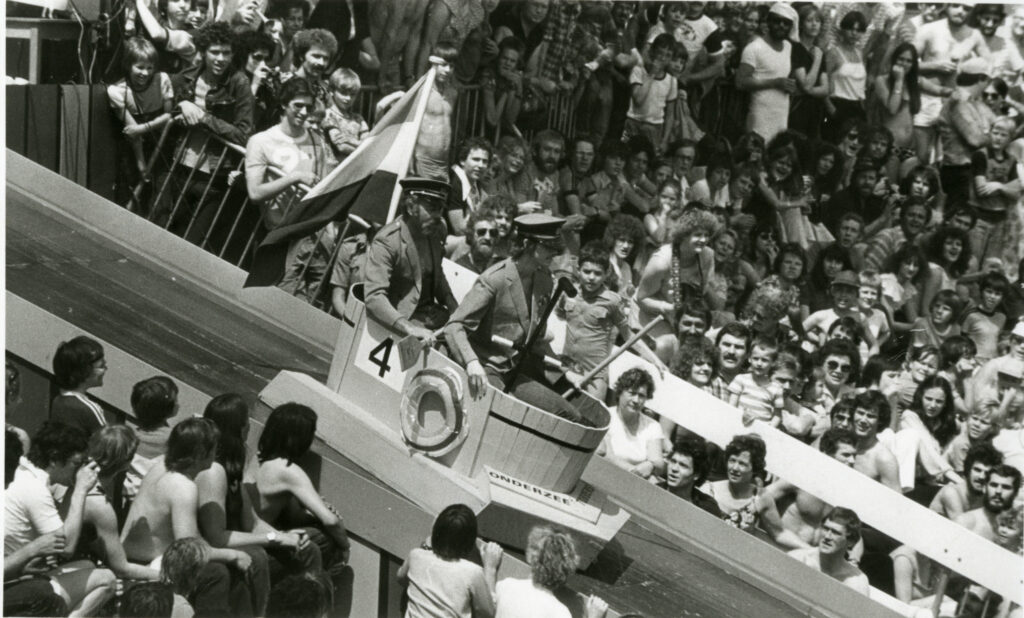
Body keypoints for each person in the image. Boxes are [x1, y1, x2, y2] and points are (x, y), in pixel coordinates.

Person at [444, 214, 604, 426]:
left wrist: (565, 373)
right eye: (548, 247)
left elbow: (537, 340)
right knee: (508, 415)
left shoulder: (545, 281)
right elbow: (455, 326)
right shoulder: (495, 279)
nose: (555, 253)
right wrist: (472, 363)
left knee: (570, 416)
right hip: (485, 367)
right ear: (528, 244)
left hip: (513, 371)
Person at [121, 418, 257, 616]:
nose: (216, 453)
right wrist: (233, 554)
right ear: (202, 454)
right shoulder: (184, 487)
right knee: (216, 573)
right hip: (147, 567)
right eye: (214, 449)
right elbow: (188, 551)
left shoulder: (160, 468)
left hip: (136, 557)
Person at [198, 395, 321, 594]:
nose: (249, 427)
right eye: (247, 421)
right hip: (211, 554)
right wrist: (276, 539)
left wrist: (284, 536)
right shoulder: (212, 471)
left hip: (235, 542)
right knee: (258, 557)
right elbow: (217, 538)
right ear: (238, 429)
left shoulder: (232, 466)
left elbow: (252, 523)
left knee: (307, 549)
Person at [5, 422, 116, 617]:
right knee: (107, 579)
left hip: (13, 571)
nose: (78, 470)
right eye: (75, 463)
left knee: (88, 566)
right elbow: (66, 547)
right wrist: (80, 489)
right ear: (55, 458)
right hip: (7, 584)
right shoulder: (34, 489)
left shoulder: (26, 474)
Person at [251, 403, 351, 575]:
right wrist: (345, 547)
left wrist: (311, 512)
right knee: (324, 538)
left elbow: (291, 515)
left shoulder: (258, 458)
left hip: (250, 539)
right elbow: (331, 522)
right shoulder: (288, 470)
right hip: (259, 550)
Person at [558, 242, 664, 401]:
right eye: (587, 271)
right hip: (566, 367)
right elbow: (557, 317)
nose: (591, 277)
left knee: (591, 419)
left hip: (594, 374)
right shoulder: (568, 293)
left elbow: (629, 336)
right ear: (578, 270)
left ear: (607, 273)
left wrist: (655, 359)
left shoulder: (612, 301)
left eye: (597, 273)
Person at [364, 177, 459, 344]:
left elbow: (436, 270)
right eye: (432, 209)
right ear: (410, 207)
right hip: (401, 321)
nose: (438, 216)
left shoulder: (436, 231)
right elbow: (374, 297)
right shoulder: (388, 241)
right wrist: (409, 328)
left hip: (431, 316)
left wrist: (451, 304)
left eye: (441, 209)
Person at [636, 207, 720, 363]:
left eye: (706, 235)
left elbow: (703, 292)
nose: (703, 240)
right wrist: (670, 309)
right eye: (698, 235)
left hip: (686, 320)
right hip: (655, 318)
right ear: (684, 236)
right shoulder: (662, 261)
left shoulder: (707, 255)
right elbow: (641, 298)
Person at [702, 434, 811, 550]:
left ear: (754, 468)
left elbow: (779, 534)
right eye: (732, 460)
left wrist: (811, 551)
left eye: (742, 464)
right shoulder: (708, 490)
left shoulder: (760, 497)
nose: (734, 468)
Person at [83, 426, 162, 582]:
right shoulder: (100, 506)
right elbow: (122, 569)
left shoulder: (84, 476)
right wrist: (167, 576)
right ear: (126, 462)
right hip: (88, 569)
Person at [397, 504, 503, 618]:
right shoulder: (472, 572)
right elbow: (488, 613)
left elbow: (401, 578)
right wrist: (490, 569)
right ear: (469, 542)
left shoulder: (415, 555)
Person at [912, 2, 985, 164]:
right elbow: (907, 63)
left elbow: (989, 66)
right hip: (927, 99)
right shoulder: (929, 30)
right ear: (947, 6)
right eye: (956, 6)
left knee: (949, 158)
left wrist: (970, 76)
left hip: (955, 103)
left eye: (967, 8)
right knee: (921, 157)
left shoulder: (974, 35)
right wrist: (935, 65)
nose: (961, 11)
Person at [765, 428, 859, 545]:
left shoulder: (844, 489)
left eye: (854, 455)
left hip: (811, 557)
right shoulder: (804, 475)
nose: (852, 460)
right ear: (827, 453)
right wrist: (777, 532)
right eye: (846, 455)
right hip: (780, 546)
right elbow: (763, 497)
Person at [494, 526, 609, 618]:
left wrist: (490, 568)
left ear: (530, 556)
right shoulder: (560, 613)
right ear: (567, 571)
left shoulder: (505, 586)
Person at [107, 37, 175, 185]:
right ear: (128, 65)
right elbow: (133, 133)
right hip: (136, 149)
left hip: (161, 142)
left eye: (150, 68)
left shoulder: (162, 79)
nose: (145, 73)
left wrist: (142, 128)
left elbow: (168, 116)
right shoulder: (117, 91)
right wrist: (141, 165)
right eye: (140, 67)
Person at [937, 57, 996, 208]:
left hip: (969, 171)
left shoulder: (974, 102)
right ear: (981, 79)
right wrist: (993, 138)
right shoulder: (960, 101)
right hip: (958, 172)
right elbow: (974, 139)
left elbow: (997, 124)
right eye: (988, 80)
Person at [736, 3, 795, 141]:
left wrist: (790, 86)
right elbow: (740, 82)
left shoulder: (788, 47)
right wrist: (775, 83)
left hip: (781, 114)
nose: (781, 25)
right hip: (759, 115)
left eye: (786, 23)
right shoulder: (754, 48)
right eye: (777, 21)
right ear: (768, 22)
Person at [597, 368, 665, 480]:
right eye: (632, 393)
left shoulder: (653, 426)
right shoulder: (604, 415)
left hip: (635, 484)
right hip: (604, 475)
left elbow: (657, 462)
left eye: (642, 396)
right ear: (620, 392)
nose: (636, 400)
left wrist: (651, 465)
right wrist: (635, 471)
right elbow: (607, 456)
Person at [971, 116, 1021, 264]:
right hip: (980, 218)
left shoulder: (1011, 160)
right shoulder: (981, 155)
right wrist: (1007, 188)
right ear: (990, 133)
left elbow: (1016, 194)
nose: (998, 138)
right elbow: (981, 189)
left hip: (999, 220)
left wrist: (998, 186)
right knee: (974, 261)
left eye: (1003, 135)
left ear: (1010, 138)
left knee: (991, 264)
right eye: (995, 133)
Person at [787, 508, 870, 595]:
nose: (827, 536)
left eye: (835, 532)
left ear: (850, 542)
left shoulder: (856, 581)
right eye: (826, 529)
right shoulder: (797, 559)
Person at [624, 33, 678, 154]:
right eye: (660, 53)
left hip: (654, 127)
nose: (663, 58)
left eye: (668, 55)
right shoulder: (638, 71)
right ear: (652, 52)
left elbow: (670, 114)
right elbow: (638, 99)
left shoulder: (671, 80)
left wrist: (665, 140)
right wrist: (651, 75)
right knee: (629, 155)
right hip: (634, 123)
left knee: (649, 160)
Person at [126, 376, 179, 497]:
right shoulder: (176, 438)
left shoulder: (127, 438)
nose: (178, 403)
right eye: (175, 400)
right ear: (168, 407)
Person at [413, 43, 458, 180]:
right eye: (443, 64)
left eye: (451, 66)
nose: (447, 70)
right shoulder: (421, 91)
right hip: (423, 163)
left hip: (443, 164)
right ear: (433, 63)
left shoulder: (452, 93)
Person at [824, 11, 868, 143]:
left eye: (859, 30)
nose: (854, 33)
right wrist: (832, 110)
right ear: (843, 29)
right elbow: (822, 82)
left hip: (858, 108)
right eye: (851, 29)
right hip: (839, 106)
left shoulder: (860, 54)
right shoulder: (834, 53)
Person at [50, 336, 108, 435]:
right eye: (101, 366)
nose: (105, 369)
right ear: (84, 372)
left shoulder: (58, 401)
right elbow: (109, 445)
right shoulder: (89, 408)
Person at [930, 442, 1003, 521]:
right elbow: (962, 529)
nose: (982, 477)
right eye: (977, 470)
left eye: (987, 473)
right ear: (968, 469)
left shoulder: (983, 498)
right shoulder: (951, 492)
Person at [850, 391, 901, 492]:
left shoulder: (885, 459)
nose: (863, 420)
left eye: (870, 416)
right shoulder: (837, 440)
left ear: (880, 420)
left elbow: (895, 503)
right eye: (860, 413)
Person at [447, 137, 494, 240]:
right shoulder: (455, 182)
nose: (480, 165)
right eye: (476, 159)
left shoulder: (474, 182)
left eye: (484, 161)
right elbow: (459, 230)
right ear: (462, 161)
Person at [664, 434, 722, 517]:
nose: (674, 469)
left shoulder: (708, 508)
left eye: (683, 465)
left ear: (696, 474)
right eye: (673, 461)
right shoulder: (652, 491)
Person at [321, 67, 368, 160]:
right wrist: (363, 149)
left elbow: (369, 143)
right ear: (332, 91)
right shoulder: (328, 115)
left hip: (354, 167)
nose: (348, 98)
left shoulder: (358, 119)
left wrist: (350, 140)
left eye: (352, 94)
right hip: (334, 168)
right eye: (343, 93)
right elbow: (341, 147)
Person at [455, 208, 500, 275]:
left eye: (492, 233)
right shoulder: (458, 269)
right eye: (481, 232)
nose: (487, 237)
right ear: (470, 235)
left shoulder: (499, 268)